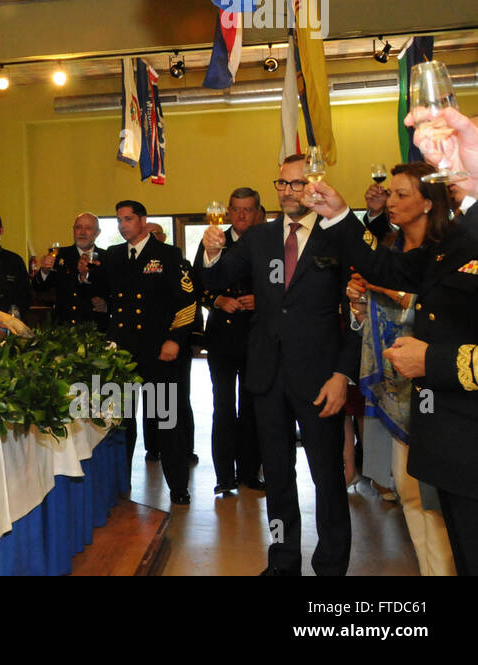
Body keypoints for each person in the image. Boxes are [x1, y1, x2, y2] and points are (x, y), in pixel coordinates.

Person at [307, 153, 478, 575]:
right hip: (455, 434)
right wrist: (341, 215)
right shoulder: (455, 240)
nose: (447, 162)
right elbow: (389, 267)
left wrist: (431, 360)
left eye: (459, 149)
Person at [200, 154, 356, 576]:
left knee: (327, 477)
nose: (288, 191)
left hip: (321, 378)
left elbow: (356, 317)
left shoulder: (337, 236)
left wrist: (343, 374)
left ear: (315, 186)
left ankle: (330, 565)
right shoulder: (259, 238)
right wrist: (211, 254)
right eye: (282, 184)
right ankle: (283, 560)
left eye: (297, 183)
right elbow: (214, 280)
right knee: (279, 480)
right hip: (267, 376)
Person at [344, 163, 456, 575]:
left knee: (439, 500)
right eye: (388, 194)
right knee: (408, 491)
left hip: (440, 393)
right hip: (398, 390)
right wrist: (360, 304)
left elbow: (441, 316)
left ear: (429, 202)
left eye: (401, 194)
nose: (390, 201)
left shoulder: (450, 252)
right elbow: (374, 317)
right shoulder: (390, 250)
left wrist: (390, 292)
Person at [105, 200, 198, 505]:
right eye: (119, 220)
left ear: (143, 220)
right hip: (121, 356)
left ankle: (178, 486)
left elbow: (187, 304)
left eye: (128, 219)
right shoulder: (114, 255)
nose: (123, 225)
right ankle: (118, 484)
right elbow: (101, 294)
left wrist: (174, 340)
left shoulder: (167, 255)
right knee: (119, 423)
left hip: (157, 354)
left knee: (165, 421)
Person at [194, 187, 265, 495]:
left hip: (257, 336)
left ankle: (251, 472)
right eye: (235, 209)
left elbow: (284, 284)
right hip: (223, 337)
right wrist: (217, 299)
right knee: (223, 407)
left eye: (247, 209)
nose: (240, 215)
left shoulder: (268, 240)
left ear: (258, 212)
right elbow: (196, 283)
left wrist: (260, 299)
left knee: (252, 409)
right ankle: (225, 476)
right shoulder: (213, 240)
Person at [30, 211, 109, 328]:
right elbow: (39, 289)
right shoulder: (59, 255)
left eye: (88, 228)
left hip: (96, 327)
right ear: (73, 230)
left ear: (97, 233)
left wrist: (107, 305)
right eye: (78, 227)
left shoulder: (107, 257)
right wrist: (44, 271)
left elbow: (117, 292)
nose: (82, 232)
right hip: (64, 328)